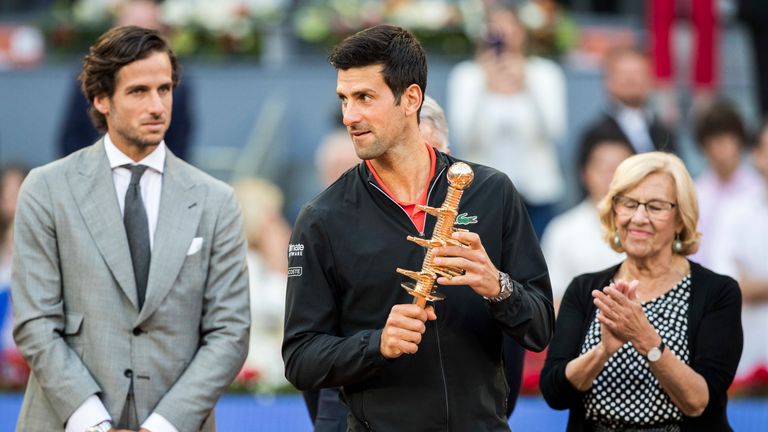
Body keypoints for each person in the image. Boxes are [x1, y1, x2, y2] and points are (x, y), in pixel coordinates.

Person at [283, 24, 554, 431]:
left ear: (411, 98)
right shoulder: (322, 217)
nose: (349, 116)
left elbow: (540, 327)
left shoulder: (492, 191)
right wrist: (376, 344)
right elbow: (301, 359)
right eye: (344, 99)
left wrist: (498, 286)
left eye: (364, 98)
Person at [12, 26, 250, 431]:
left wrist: (161, 426)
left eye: (165, 89)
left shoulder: (216, 200)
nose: (157, 106)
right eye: (139, 91)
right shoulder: (46, 188)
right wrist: (95, 423)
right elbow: (35, 321)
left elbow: (230, 332)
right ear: (100, 99)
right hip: (67, 420)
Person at [540, 151, 743, 431]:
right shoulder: (585, 289)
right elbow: (555, 393)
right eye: (628, 203)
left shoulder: (718, 292)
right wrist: (602, 352)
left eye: (656, 206)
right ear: (614, 211)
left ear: (681, 219)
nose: (638, 217)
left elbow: (699, 402)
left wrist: (646, 339)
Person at [447, 5, 567, 237]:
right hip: (483, 192)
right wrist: (484, 85)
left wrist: (528, 85)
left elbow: (555, 132)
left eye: (509, 27)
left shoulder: (544, 73)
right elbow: (463, 137)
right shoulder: (468, 75)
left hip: (538, 192)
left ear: (522, 31)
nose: (503, 34)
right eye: (495, 27)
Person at [58, 0, 193, 161]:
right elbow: (72, 136)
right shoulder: (88, 76)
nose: (138, 39)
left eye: (163, 90)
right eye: (132, 28)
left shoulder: (178, 85)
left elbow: (179, 144)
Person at [541, 127, 634, 311]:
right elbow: (551, 304)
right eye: (603, 167)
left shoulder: (651, 226)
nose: (612, 177)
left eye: (620, 168)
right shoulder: (562, 231)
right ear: (585, 173)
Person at [710, 119, 768, 392]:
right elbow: (727, 287)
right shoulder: (735, 212)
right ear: (756, 155)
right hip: (747, 360)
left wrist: (755, 282)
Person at [690, 99, 764, 268]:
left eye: (727, 141)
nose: (721, 150)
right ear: (704, 147)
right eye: (714, 143)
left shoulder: (759, 187)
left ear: (740, 143)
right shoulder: (696, 193)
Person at [581, 47, 677, 155]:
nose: (630, 79)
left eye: (637, 73)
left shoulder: (663, 131)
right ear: (608, 81)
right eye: (623, 73)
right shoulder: (596, 134)